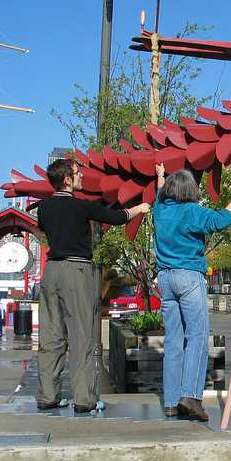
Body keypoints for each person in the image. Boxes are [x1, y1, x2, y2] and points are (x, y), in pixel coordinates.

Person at [37, 158, 151, 413]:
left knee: (51, 335)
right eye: (77, 174)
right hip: (77, 272)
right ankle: (84, 399)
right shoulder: (81, 207)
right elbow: (119, 217)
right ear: (66, 180)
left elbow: (46, 231)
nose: (82, 177)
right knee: (82, 337)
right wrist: (141, 208)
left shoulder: (43, 208)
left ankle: (47, 396)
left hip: (51, 271)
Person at [153, 164, 231, 421]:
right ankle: (191, 397)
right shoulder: (191, 211)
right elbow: (221, 221)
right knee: (196, 337)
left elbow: (159, 193)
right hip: (189, 277)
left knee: (173, 341)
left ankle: (171, 402)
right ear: (190, 191)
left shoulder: (160, 210)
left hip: (165, 279)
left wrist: (160, 177)